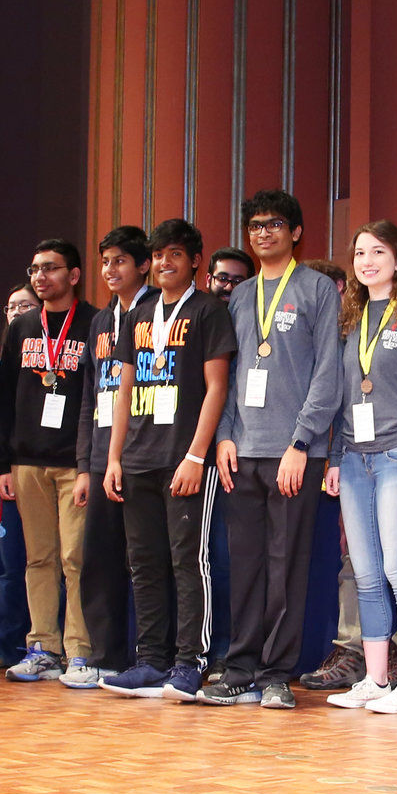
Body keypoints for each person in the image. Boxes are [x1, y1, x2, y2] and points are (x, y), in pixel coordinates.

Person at [201, 191, 345, 709]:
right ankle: (240, 668)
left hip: (294, 454)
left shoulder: (317, 289)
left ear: (296, 232)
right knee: (245, 566)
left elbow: (329, 372)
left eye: (275, 224)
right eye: (256, 225)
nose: (264, 232)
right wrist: (224, 436)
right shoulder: (241, 296)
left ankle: (277, 673)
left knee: (287, 566)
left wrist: (301, 442)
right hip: (242, 451)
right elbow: (229, 374)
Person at [103, 218, 237, 699]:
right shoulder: (139, 314)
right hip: (137, 457)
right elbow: (123, 391)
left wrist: (196, 456)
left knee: (188, 562)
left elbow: (217, 388)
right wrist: (114, 458)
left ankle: (189, 662)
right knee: (143, 563)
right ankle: (150, 660)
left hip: (184, 459)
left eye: (174, 254)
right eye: (158, 254)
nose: (164, 262)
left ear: (195, 261)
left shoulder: (207, 311)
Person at [323, 222, 397, 715]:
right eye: (359, 253)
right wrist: (335, 458)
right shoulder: (350, 318)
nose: (367, 261)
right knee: (367, 575)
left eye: (378, 251)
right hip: (355, 458)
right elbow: (342, 396)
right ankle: (375, 680)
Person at [0, 242, 100, 684]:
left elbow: (100, 394)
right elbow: (4, 397)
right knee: (38, 558)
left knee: (75, 558)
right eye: (35, 269)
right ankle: (42, 647)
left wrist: (90, 463)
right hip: (27, 461)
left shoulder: (95, 322)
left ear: (73, 275)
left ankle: (80, 652)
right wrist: (3, 464)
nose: (40, 277)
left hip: (75, 462)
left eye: (50, 268)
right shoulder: (21, 327)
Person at [73, 225, 153, 685]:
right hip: (103, 456)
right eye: (105, 262)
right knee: (99, 559)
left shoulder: (157, 313)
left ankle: (150, 656)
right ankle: (105, 656)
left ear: (143, 265)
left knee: (145, 562)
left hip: (144, 455)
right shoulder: (101, 322)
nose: (109, 269)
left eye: (119, 260)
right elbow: (89, 398)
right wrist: (85, 466)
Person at [0, 283, 42, 674]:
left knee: (54, 563)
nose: (17, 312)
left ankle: (52, 645)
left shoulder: (50, 359)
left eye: (26, 306)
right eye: (12, 306)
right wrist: (3, 468)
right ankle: (5, 644)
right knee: (11, 565)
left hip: (51, 469)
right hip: (12, 472)